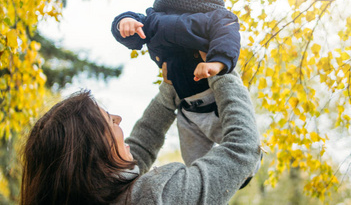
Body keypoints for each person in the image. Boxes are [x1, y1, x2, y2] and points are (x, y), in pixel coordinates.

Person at [20, 71, 261, 205]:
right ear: (93, 152)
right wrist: (223, 71)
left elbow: (140, 147)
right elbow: (242, 150)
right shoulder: (160, 197)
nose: (119, 119)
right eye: (109, 121)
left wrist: (172, 88)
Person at [110, 0, 243, 167]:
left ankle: (250, 166)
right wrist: (124, 24)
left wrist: (216, 63)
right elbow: (137, 22)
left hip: (216, 101)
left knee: (238, 143)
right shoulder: (156, 16)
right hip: (186, 108)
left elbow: (227, 38)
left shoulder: (217, 15)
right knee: (194, 161)